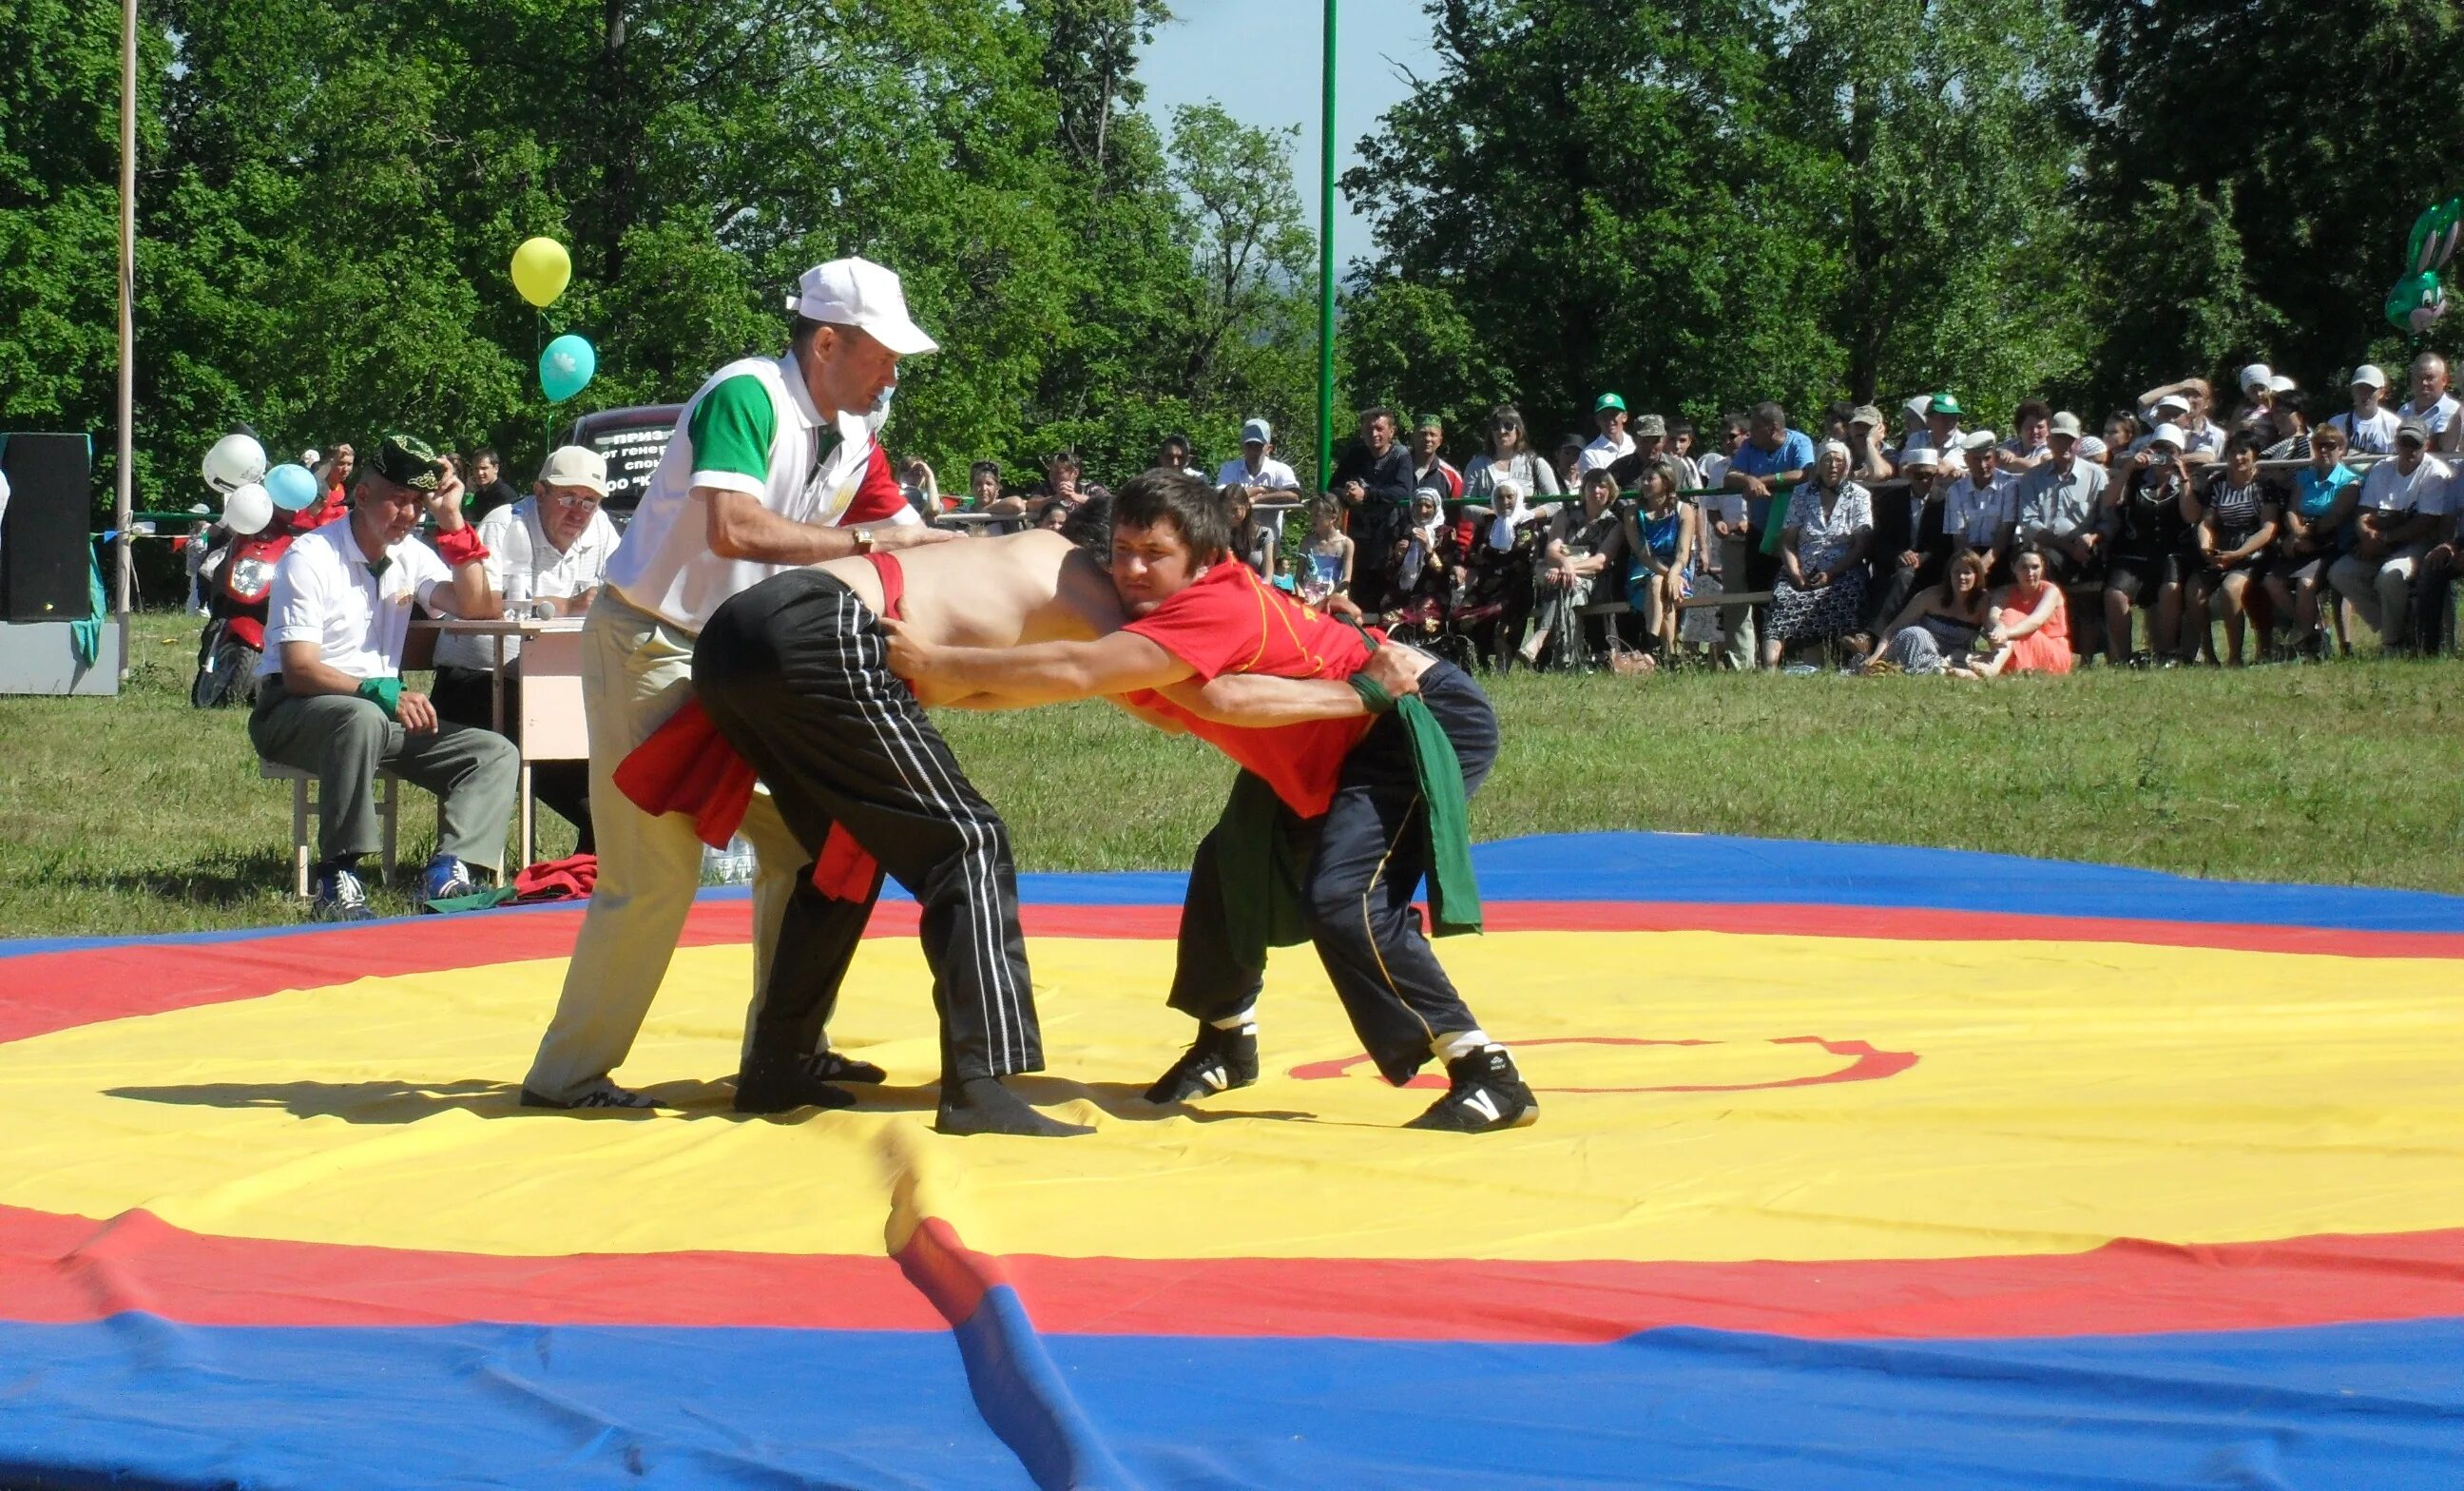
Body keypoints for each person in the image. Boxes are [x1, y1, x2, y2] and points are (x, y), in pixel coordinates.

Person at [885, 471, 1537, 1133]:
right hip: (1325, 740)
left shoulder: (1207, 608)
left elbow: (1118, 680)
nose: (1131, 570)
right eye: (1121, 552)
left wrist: (939, 662)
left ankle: (1486, 1069)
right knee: (1231, 866)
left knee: (1346, 896)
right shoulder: (1146, 628)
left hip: (1414, 718)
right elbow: (1107, 692)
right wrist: (938, 690)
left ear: (1202, 557)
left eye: (1154, 555)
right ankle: (1226, 1040)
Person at [521, 257, 956, 1113]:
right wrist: (874, 550)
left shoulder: (854, 434)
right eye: (883, 353)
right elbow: (734, 527)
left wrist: (1006, 556)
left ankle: (786, 1049)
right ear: (827, 343)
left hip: (736, 664)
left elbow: (907, 532)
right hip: (655, 646)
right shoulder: (746, 395)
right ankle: (566, 1078)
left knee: (810, 844)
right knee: (653, 875)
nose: (894, 372)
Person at [248, 435, 518, 920]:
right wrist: (380, 691)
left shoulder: (410, 555)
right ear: (364, 495)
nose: (411, 515)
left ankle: (450, 872)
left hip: (375, 715)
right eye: (400, 500)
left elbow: (478, 608)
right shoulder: (311, 556)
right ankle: (338, 873)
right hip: (291, 711)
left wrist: (452, 521)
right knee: (359, 719)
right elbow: (299, 668)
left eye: (418, 503)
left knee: (494, 753)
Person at [431, 445, 623, 852]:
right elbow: (480, 602)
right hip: (479, 683)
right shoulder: (506, 524)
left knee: (618, 742)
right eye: (568, 498)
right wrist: (567, 606)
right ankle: (598, 846)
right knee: (563, 750)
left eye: (589, 501)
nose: (579, 512)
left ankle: (596, 857)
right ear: (538, 493)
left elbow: (626, 592)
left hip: (558, 685)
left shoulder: (602, 529)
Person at [2329, 417, 2452, 653]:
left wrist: (2383, 539)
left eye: (2415, 444)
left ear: (2426, 445)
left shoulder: (2436, 472)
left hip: (2420, 544)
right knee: (2340, 573)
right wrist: (2366, 535)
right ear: (2396, 442)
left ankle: (2391, 644)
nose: (2409, 449)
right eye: (2404, 442)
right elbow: (2365, 511)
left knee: (2390, 574)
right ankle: (2402, 630)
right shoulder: (2382, 468)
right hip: (2380, 538)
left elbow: (2426, 522)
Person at [1761, 440, 1872, 668]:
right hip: (1803, 569)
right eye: (1827, 460)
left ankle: (1847, 663)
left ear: (1847, 465)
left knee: (1849, 592)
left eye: (1839, 460)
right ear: (1818, 466)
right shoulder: (1802, 493)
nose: (1833, 466)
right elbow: (1788, 541)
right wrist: (1795, 573)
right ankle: (1769, 668)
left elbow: (1860, 545)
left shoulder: (1858, 495)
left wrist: (1831, 574)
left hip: (1842, 570)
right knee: (1783, 597)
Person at [1724, 401, 1817, 668]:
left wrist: (1763, 480)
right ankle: (1767, 661)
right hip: (1760, 531)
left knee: (1795, 592)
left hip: (1795, 534)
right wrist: (1748, 480)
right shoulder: (1750, 447)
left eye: (1754, 427)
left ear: (1773, 428)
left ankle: (1795, 657)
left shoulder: (1799, 443)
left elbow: (1804, 473)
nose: (1749, 432)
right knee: (1759, 593)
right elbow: (1731, 477)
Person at [2099, 423, 2197, 667]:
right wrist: (2129, 468)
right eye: (2158, 450)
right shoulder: (2136, 479)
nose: (2163, 457)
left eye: (2170, 450)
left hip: (2171, 553)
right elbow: (2109, 501)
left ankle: (2165, 653)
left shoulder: (2187, 481)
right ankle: (2121, 658)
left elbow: (2191, 517)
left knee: (2170, 589)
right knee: (2115, 594)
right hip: (2135, 553)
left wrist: (2182, 477)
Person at [2183, 431, 2280, 667]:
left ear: (2254, 454)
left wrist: (2239, 554)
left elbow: (2268, 528)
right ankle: (2208, 654)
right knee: (2193, 590)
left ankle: (2235, 656)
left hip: (2253, 550)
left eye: (2243, 452)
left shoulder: (2265, 485)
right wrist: (2206, 547)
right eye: (2232, 452)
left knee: (2230, 588)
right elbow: (2206, 522)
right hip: (2221, 546)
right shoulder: (2217, 483)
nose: (2237, 458)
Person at [2264, 421, 2359, 662]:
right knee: (2271, 581)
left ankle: (2310, 645)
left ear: (2342, 449)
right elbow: (2291, 509)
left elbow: (2334, 519)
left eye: (2330, 446)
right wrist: (2295, 535)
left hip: (2332, 543)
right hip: (2302, 539)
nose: (2324, 451)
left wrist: (2304, 537)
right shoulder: (2304, 476)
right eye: (2319, 446)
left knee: (2307, 584)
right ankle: (2314, 631)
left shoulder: (2350, 481)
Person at [1854, 438, 1952, 650]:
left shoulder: (1945, 502)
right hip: (1893, 566)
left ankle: (1870, 636)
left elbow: (1945, 543)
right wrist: (1898, 555)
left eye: (1929, 475)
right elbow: (1878, 541)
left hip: (1931, 570)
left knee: (1905, 576)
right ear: (1908, 474)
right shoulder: (1891, 500)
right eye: (1919, 475)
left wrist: (1922, 558)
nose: (1924, 481)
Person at [1522, 468, 1621, 668]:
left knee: (1568, 584)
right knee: (1566, 585)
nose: (1596, 491)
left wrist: (1568, 569)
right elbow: (1551, 551)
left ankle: (1541, 641)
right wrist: (1564, 564)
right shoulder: (1564, 515)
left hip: (1592, 578)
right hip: (1558, 570)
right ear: (1583, 489)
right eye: (1591, 485)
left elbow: (1600, 562)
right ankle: (1566, 659)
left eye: (1602, 486)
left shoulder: (1614, 524)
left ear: (1611, 492)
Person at [1865, 550, 1994, 676]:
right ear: (1949, 574)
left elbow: (1992, 633)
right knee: (1916, 633)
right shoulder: (1930, 596)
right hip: (1916, 647)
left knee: (1967, 655)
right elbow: (1892, 629)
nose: (1961, 577)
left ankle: (1939, 668)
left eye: (1967, 572)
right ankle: (1936, 669)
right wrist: (1876, 656)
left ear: (1977, 575)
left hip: (1953, 656)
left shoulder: (1982, 602)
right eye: (1956, 572)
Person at [1619, 460, 1696, 659]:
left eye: (1650, 479)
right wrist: (1668, 575)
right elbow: (1643, 554)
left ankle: (1651, 645)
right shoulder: (1632, 513)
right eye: (1642, 479)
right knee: (1656, 582)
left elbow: (1683, 553)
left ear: (1666, 482)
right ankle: (1667, 653)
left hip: (1676, 570)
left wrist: (1674, 573)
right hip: (1643, 570)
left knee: (1659, 584)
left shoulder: (1684, 510)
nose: (1644, 483)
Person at [1977, 546, 2071, 675]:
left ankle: (1993, 666)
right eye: (2024, 567)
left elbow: (2035, 622)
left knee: (2010, 614)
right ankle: (1966, 670)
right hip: (2010, 644)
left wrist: (2005, 633)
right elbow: (1993, 616)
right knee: (1970, 656)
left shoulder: (2051, 591)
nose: (2030, 573)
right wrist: (1999, 627)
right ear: (2013, 568)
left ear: (2042, 567)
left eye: (2035, 567)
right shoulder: (2004, 592)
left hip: (2052, 651)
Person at [1461, 404, 1562, 518]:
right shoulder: (1476, 465)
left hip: (1526, 532)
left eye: (1508, 426)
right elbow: (1466, 506)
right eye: (1496, 426)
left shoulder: (1535, 463)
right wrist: (1495, 515)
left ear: (1518, 430)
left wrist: (1526, 515)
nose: (1502, 431)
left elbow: (1556, 502)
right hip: (1489, 533)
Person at [1941, 435, 2015, 575]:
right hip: (1968, 553)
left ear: (1995, 457)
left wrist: (1984, 564)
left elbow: (2005, 530)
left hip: (2000, 552)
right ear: (1965, 460)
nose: (1982, 465)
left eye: (1987, 458)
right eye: (1976, 459)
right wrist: (1972, 565)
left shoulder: (2008, 484)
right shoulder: (1956, 490)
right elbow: (1959, 537)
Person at [2397, 353, 2462, 454]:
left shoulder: (2453, 410)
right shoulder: (2404, 410)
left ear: (2444, 380)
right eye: (2419, 378)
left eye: (2430, 378)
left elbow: (2438, 446)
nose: (2424, 383)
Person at [2330, 365, 2402, 455]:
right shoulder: (2336, 424)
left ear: (2381, 393)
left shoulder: (2394, 425)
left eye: (2371, 389)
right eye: (2360, 388)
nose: (2365, 394)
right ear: (2352, 390)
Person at [1217, 417, 1300, 494]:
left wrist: (1254, 499)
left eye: (1258, 445)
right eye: (1249, 445)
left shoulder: (1281, 470)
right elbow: (1221, 495)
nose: (1253, 451)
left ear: (1269, 449)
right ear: (1242, 447)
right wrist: (1261, 489)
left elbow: (1294, 494)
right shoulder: (1230, 468)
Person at [1299, 494, 1355, 607]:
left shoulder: (1346, 544)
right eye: (1311, 515)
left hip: (1334, 597)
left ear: (1333, 518)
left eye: (1317, 515)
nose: (1312, 519)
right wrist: (1301, 594)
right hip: (1308, 596)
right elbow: (1298, 578)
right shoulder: (1307, 542)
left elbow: (1346, 579)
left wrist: (1328, 600)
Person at [1224, 484, 1276, 578]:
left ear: (1247, 506)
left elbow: (1268, 576)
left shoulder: (1265, 534)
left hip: (1256, 587)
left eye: (1235, 510)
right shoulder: (1222, 535)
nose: (1230, 515)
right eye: (1226, 510)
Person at [1411, 414, 1464, 501]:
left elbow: (1458, 512)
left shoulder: (1452, 477)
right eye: (1423, 434)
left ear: (1440, 441)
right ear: (1413, 437)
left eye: (1433, 435)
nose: (1428, 439)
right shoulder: (1396, 469)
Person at [1579, 394, 1633, 474]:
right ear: (1597, 420)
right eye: (1604, 416)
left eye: (1614, 414)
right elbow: (1596, 486)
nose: (1609, 420)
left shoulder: (1636, 445)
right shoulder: (1590, 454)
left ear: (1625, 416)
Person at [1994, 402, 2053, 475]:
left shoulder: (2052, 448)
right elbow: (1992, 457)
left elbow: (2033, 467)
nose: (2035, 431)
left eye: (2040, 427)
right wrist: (2001, 453)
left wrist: (2008, 461)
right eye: (2029, 427)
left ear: (2048, 429)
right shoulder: (2012, 444)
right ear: (2019, 429)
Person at [466, 448, 521, 521]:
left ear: (496, 468)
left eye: (484, 468)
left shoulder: (505, 495)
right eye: (476, 469)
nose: (479, 473)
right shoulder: (479, 495)